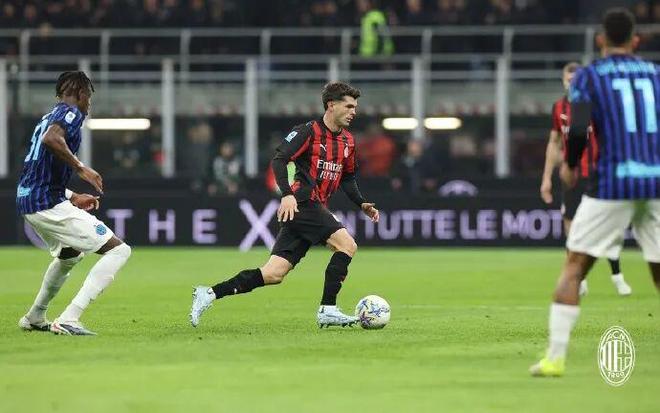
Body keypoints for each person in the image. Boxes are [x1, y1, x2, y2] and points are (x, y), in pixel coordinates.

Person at [531, 8, 660, 377]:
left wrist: (571, 164)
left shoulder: (590, 75)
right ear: (636, 41)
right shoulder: (656, 74)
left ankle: (555, 358)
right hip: (655, 182)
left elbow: (578, 128)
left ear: (601, 40)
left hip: (612, 183)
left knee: (574, 266)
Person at [190, 81, 379, 328]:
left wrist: (361, 203)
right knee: (347, 245)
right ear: (331, 105)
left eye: (355, 107)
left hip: (309, 210)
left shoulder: (348, 141)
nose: (354, 111)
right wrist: (287, 194)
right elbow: (279, 159)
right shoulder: (308, 132)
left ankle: (209, 293)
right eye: (349, 106)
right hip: (303, 203)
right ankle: (328, 308)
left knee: (273, 273)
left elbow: (347, 178)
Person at [17, 71, 131, 336]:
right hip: (46, 204)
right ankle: (70, 318)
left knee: (69, 255)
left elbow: (36, 169)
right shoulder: (71, 113)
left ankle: (35, 316)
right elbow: (51, 140)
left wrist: (71, 196)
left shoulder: (47, 117)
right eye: (89, 97)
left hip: (31, 199)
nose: (89, 105)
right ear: (81, 93)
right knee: (119, 251)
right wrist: (81, 168)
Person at [540, 62, 632, 297]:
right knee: (570, 225)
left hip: (598, 173)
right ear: (563, 81)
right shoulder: (558, 107)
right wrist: (546, 178)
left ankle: (617, 275)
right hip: (572, 176)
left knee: (609, 228)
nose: (571, 84)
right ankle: (578, 278)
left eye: (575, 80)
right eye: (568, 80)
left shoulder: (597, 105)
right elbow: (554, 142)